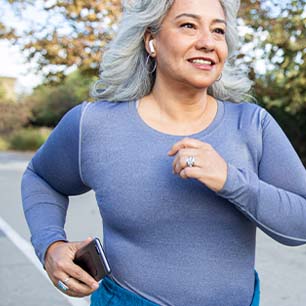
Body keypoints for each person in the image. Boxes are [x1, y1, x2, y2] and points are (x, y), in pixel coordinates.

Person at [21, 0, 306, 305]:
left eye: (218, 30)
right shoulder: (94, 124)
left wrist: (230, 180)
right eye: (188, 25)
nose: (208, 42)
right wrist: (50, 245)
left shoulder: (252, 124)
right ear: (151, 40)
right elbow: (41, 177)